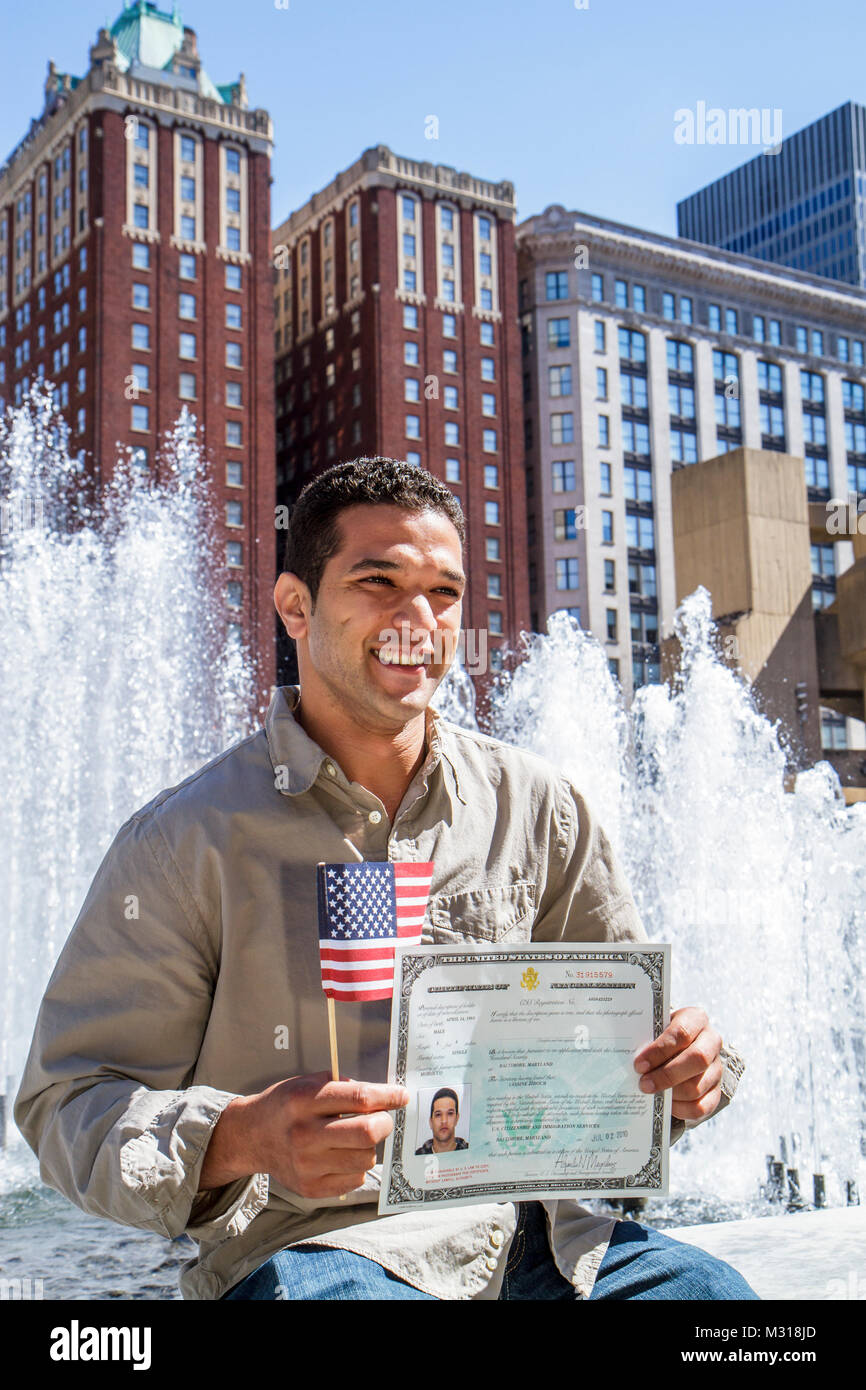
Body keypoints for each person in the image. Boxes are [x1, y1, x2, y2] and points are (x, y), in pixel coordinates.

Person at [15, 457, 757, 1302]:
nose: (419, 618)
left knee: (725, 1314)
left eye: (444, 592)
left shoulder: (538, 804)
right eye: (379, 580)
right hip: (318, 1249)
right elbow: (67, 1103)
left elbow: (626, 1042)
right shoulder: (185, 840)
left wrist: (687, 1075)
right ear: (296, 606)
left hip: (550, 1238)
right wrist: (241, 1136)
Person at [415, 1088, 469, 1155]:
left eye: (450, 1113)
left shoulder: (471, 1151)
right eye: (438, 1115)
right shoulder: (418, 1154)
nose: (444, 1121)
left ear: (457, 1118)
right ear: (431, 1122)